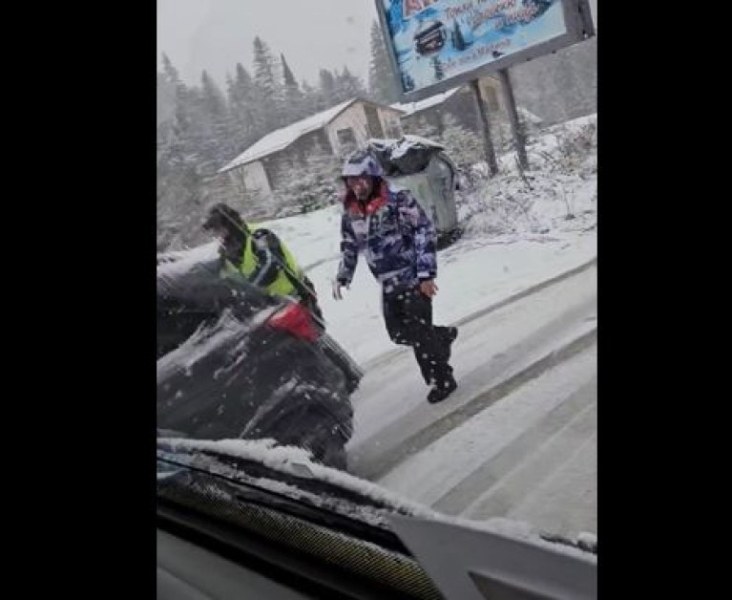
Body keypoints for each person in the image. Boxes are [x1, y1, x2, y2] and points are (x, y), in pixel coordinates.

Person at [332, 149, 458, 403]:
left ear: (374, 177)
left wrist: (425, 274)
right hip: (387, 282)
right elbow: (349, 245)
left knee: (420, 335)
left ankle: (442, 380)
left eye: (361, 179)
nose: (356, 185)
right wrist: (344, 276)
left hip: (411, 276)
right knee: (399, 334)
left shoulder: (398, 199)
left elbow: (423, 231)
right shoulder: (351, 212)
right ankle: (441, 337)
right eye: (351, 181)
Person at [202, 203, 323, 323]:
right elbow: (224, 277)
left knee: (312, 336)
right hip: (269, 306)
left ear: (228, 224)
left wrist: (249, 288)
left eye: (218, 229)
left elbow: (271, 263)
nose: (217, 234)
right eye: (214, 231)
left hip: (295, 295)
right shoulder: (226, 251)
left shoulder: (259, 235)